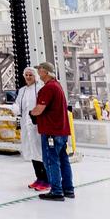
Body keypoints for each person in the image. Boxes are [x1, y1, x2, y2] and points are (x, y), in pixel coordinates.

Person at [28, 61, 74, 202]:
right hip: (61, 131)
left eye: (39, 70)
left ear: (45, 72)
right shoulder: (57, 85)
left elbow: (39, 109)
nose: (38, 73)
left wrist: (31, 113)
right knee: (63, 160)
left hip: (51, 131)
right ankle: (68, 189)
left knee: (51, 160)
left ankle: (56, 191)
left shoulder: (48, 88)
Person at [11, 66, 48, 191]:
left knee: (40, 152)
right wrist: (15, 108)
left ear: (35, 76)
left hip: (37, 125)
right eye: (26, 75)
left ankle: (46, 179)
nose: (28, 77)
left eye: (30, 75)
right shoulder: (22, 90)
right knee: (31, 151)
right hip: (26, 125)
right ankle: (39, 178)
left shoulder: (40, 88)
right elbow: (18, 103)